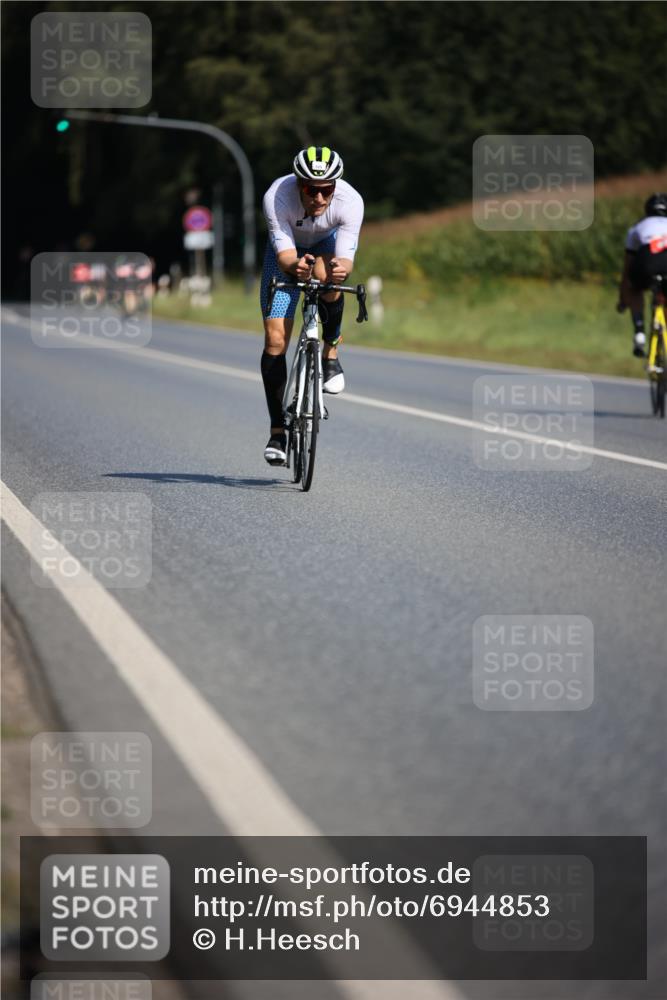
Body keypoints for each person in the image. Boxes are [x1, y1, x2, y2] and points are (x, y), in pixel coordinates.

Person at [260, 146, 364, 465]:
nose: (318, 198)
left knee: (329, 275)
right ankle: (278, 432)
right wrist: (294, 267)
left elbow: (345, 259)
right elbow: (284, 255)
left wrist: (339, 270)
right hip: (287, 253)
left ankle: (330, 352)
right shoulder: (277, 195)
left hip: (324, 246)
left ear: (335, 187)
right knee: (276, 340)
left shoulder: (351, 201)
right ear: (298, 183)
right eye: (310, 190)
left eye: (326, 191)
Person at [617, 193, 667, 359]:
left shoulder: (637, 227)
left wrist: (624, 299)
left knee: (634, 287)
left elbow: (627, 269)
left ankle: (639, 332)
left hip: (648, 260)